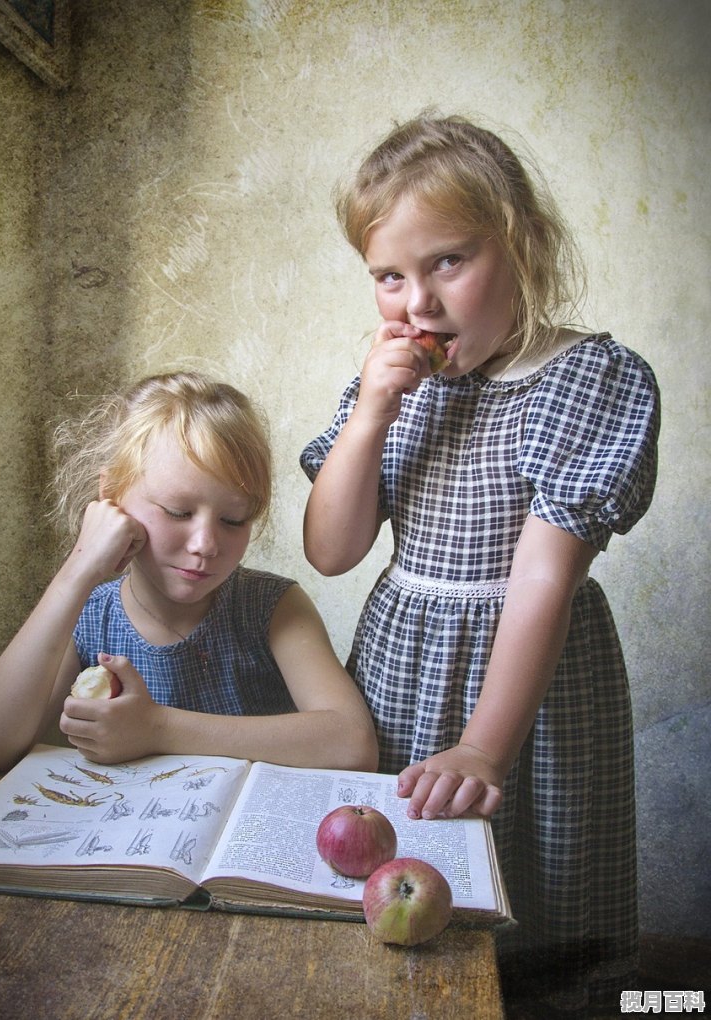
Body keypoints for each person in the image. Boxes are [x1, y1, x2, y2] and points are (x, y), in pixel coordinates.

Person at [300, 111, 659, 1017]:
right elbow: (332, 552)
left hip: (525, 684)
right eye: (389, 276)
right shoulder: (391, 389)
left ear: (523, 246)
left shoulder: (588, 380)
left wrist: (485, 745)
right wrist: (369, 419)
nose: (416, 302)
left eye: (448, 263)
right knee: (400, 893)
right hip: (401, 665)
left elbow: (543, 577)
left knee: (539, 901)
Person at [0, 371, 378, 777]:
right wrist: (78, 570)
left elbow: (353, 744)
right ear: (111, 497)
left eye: (234, 519)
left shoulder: (271, 607)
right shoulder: (89, 618)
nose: (205, 544)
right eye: (178, 512)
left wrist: (158, 728)